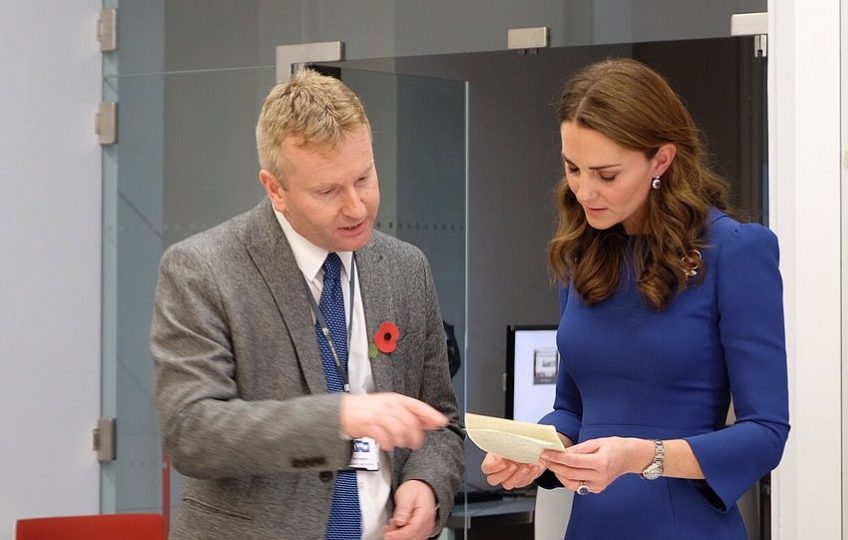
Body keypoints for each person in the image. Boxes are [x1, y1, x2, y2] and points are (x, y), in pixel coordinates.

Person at [481, 58, 789, 539]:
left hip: (685, 526)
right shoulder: (581, 254)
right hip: (592, 526)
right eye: (573, 168)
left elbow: (767, 434)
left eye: (606, 174)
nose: (585, 191)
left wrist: (642, 456)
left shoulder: (736, 252)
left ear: (661, 161)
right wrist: (534, 452)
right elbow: (572, 410)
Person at [151, 70, 464, 540]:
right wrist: (338, 417)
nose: (357, 207)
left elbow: (440, 418)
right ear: (275, 188)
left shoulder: (405, 268)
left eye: (364, 177)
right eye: (329, 191)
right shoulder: (202, 269)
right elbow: (191, 431)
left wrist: (426, 484)